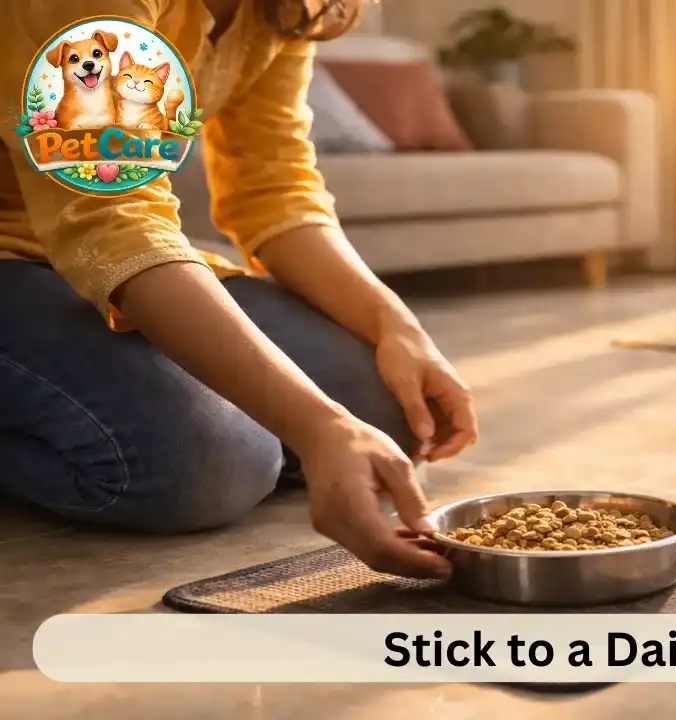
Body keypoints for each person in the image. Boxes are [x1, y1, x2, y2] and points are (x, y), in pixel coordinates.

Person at [0, 0, 475, 579]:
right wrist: (319, 428)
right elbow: (110, 217)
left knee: (390, 411)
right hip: (27, 254)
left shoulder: (290, 8)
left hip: (106, 250)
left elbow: (273, 188)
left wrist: (396, 325)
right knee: (209, 466)